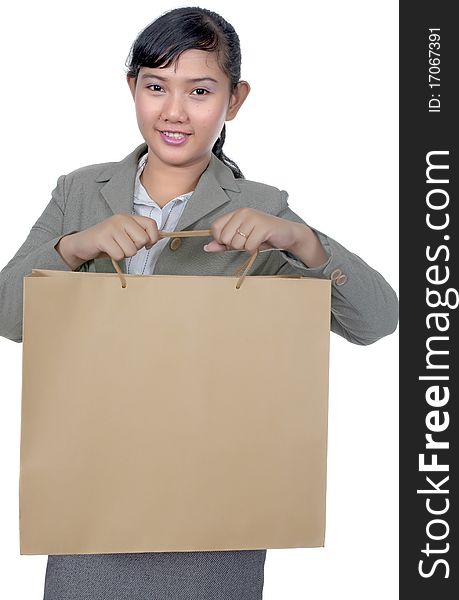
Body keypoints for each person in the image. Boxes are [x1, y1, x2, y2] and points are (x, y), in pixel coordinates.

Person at [0, 6, 398, 599]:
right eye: (156, 86)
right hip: (92, 493)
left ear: (234, 100)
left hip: (216, 510)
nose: (175, 111)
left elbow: (377, 320)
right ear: (132, 88)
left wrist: (303, 242)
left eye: (201, 90)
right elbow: (11, 317)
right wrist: (73, 246)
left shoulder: (262, 206)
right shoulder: (80, 192)